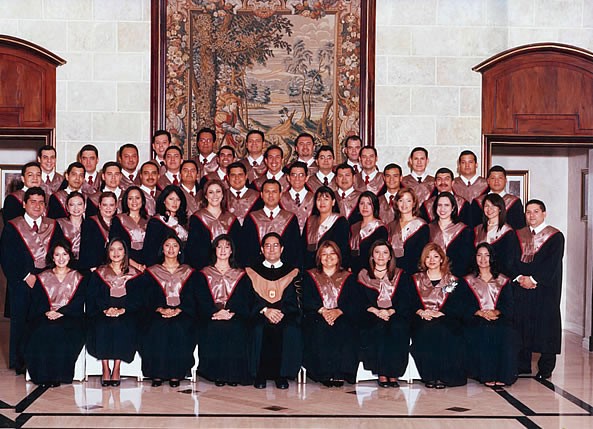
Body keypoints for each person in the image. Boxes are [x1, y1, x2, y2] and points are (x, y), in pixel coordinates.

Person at [0, 187, 64, 373]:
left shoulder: (53, 225)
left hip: (47, 282)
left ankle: (41, 360)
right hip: (21, 282)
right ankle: (19, 363)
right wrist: (26, 276)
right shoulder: (12, 226)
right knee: (20, 322)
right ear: (24, 204)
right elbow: (7, 256)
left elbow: (59, 251)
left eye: (41, 202)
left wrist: (49, 276)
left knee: (43, 321)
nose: (37, 206)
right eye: (33, 202)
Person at [513, 199, 565, 379]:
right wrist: (520, 277)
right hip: (522, 285)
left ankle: (546, 367)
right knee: (522, 322)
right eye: (528, 212)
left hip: (545, 288)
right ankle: (522, 365)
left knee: (546, 324)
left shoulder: (555, 236)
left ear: (544, 214)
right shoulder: (518, 235)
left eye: (536, 211)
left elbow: (552, 263)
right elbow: (512, 259)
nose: (532, 215)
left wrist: (533, 279)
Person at [139, 234, 198, 387]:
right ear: (162, 249)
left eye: (175, 245)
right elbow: (147, 297)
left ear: (180, 249)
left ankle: (176, 373)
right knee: (157, 327)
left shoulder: (189, 272)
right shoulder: (152, 272)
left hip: (183, 312)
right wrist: (159, 308)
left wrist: (180, 309)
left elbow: (193, 296)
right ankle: (157, 373)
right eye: (167, 245)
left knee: (178, 327)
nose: (171, 249)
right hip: (157, 312)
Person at [25, 240, 85, 387]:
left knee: (59, 330)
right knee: (41, 330)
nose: (61, 258)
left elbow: (79, 301)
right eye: (57, 255)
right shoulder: (43, 277)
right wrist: (47, 312)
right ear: (52, 257)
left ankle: (58, 375)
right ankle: (41, 376)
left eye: (64, 254)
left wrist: (62, 312)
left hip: (70, 316)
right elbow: (37, 301)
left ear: (70, 256)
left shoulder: (79, 277)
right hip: (45, 315)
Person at [195, 235, 253, 386]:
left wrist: (231, 312)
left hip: (233, 314)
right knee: (214, 327)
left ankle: (234, 375)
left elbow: (244, 298)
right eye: (219, 247)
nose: (223, 250)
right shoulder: (204, 273)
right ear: (214, 250)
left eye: (227, 247)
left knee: (236, 327)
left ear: (231, 251)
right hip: (211, 315)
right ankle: (217, 375)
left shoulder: (240, 274)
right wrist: (214, 312)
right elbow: (201, 298)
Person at [246, 233, 301, 389]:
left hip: (285, 314)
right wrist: (265, 310)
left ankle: (281, 375)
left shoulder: (292, 272)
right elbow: (249, 297)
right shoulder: (251, 272)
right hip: (260, 313)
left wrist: (280, 311)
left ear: (282, 249)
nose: (271, 249)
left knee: (289, 329)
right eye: (267, 246)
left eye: (275, 245)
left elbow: (295, 299)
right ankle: (260, 375)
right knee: (258, 328)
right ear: (262, 249)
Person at [302, 241, 361, 386]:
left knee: (344, 327)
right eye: (324, 254)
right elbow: (306, 298)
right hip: (317, 313)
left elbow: (354, 300)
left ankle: (341, 373)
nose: (328, 257)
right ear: (319, 258)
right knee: (319, 328)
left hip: (342, 313)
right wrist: (323, 311)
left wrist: (338, 311)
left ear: (338, 256)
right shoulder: (310, 275)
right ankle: (323, 374)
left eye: (332, 253)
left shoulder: (348, 277)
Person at [86, 238, 142, 386]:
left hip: (127, 311)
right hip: (103, 310)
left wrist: (123, 309)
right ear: (108, 252)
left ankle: (117, 367)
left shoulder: (134, 273)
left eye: (120, 249)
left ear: (125, 252)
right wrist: (105, 309)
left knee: (123, 325)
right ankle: (105, 367)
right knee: (102, 325)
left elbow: (139, 298)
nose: (116, 253)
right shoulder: (99, 273)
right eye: (112, 249)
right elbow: (93, 296)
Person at [410, 243, 467, 389]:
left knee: (444, 331)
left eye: (435, 256)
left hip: (446, 317)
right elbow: (409, 302)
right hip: (422, 317)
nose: (432, 260)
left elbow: (457, 304)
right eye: (428, 257)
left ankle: (444, 376)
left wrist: (441, 313)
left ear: (442, 259)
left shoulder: (451, 281)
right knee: (425, 331)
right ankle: (430, 376)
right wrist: (421, 312)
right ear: (423, 260)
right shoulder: (416, 279)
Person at [358, 240, 412, 388]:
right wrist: (376, 311)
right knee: (378, 327)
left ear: (390, 256)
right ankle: (382, 372)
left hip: (395, 312)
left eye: (385, 252)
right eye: (377, 252)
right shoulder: (363, 275)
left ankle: (393, 373)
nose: (381, 256)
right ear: (372, 256)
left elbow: (405, 299)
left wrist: (390, 311)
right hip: (371, 313)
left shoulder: (400, 275)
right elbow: (359, 300)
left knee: (397, 327)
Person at [464, 243, 517, 387]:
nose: (483, 259)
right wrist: (478, 312)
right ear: (475, 257)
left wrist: (496, 312)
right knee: (485, 330)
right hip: (475, 318)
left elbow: (509, 305)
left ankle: (504, 376)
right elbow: (462, 303)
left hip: (498, 317)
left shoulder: (503, 280)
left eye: (486, 255)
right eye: (479, 255)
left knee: (506, 332)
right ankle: (487, 375)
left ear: (492, 257)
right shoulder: (467, 280)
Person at [241, 179, 302, 268]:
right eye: (267, 192)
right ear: (261, 195)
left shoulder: (290, 218)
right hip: (257, 269)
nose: (270, 195)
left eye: (274, 192)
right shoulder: (251, 218)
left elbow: (295, 249)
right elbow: (246, 248)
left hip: (285, 269)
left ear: (280, 194)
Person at [185, 179, 241, 270]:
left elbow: (237, 248)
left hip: (228, 268)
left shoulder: (232, 219)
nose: (215, 195)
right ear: (206, 196)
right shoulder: (197, 219)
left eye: (218, 191)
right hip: (203, 268)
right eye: (211, 192)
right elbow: (193, 250)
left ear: (223, 195)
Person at [302, 186, 350, 269]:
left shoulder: (340, 221)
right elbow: (302, 246)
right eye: (319, 199)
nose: (322, 202)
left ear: (333, 202)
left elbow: (343, 248)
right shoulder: (310, 221)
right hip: (310, 267)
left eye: (326, 199)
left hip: (332, 267)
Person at [474, 193, 520, 277]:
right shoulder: (477, 229)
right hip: (479, 275)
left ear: (500, 208)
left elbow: (509, 259)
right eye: (486, 206)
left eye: (493, 206)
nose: (489, 209)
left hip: (500, 276)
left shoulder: (507, 231)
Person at [428, 192, 473, 277]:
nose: (442, 209)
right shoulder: (428, 228)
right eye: (439, 205)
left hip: (456, 275)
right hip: (432, 275)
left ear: (453, 208)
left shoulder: (463, 230)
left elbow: (466, 259)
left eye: (446, 205)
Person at [142, 185, 189, 267]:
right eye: (171, 199)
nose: (174, 203)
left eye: (178, 199)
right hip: (161, 267)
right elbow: (150, 252)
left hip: (181, 267)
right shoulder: (156, 223)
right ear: (164, 200)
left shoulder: (184, 223)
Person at [387, 188, 429, 274]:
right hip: (393, 271)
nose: (404, 204)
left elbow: (422, 254)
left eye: (408, 201)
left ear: (414, 203)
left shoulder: (421, 225)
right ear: (396, 203)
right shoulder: (391, 226)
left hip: (414, 272)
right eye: (401, 200)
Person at [110, 186, 149, 271]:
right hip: (126, 263)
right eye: (130, 198)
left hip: (148, 264)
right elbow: (116, 245)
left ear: (142, 200)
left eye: (137, 198)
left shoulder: (150, 220)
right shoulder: (118, 220)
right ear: (126, 201)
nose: (134, 201)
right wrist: (136, 266)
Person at [349, 191, 388, 275]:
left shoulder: (380, 228)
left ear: (375, 206)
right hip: (353, 270)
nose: (365, 207)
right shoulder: (353, 227)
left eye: (369, 204)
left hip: (371, 272)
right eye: (362, 203)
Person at [79, 191, 118, 272]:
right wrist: (94, 269)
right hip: (94, 268)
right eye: (105, 205)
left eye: (111, 205)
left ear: (116, 206)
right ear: (99, 206)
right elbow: (86, 249)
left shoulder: (118, 222)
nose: (108, 208)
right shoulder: (90, 223)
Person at [452, 150, 488, 227]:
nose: (467, 165)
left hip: (482, 228)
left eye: (470, 162)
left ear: (476, 164)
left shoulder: (486, 184)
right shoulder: (452, 184)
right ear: (459, 165)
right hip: (457, 228)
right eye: (463, 162)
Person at [483, 165, 526, 230]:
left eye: (500, 178)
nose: (496, 181)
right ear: (488, 181)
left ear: (505, 180)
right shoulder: (479, 201)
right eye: (493, 178)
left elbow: (520, 228)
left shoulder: (515, 202)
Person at [280, 161, 314, 232]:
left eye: (301, 175)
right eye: (294, 175)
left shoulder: (315, 198)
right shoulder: (280, 198)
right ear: (288, 178)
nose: (297, 178)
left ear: (306, 178)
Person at [56, 191, 86, 263]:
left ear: (84, 206)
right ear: (67, 207)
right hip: (64, 262)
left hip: (86, 262)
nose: (76, 208)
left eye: (79, 204)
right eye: (72, 205)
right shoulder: (59, 223)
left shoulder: (91, 224)